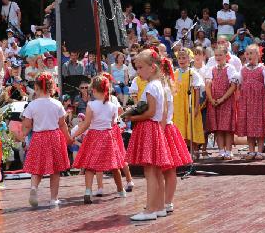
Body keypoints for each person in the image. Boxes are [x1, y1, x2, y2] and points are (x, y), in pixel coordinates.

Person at [124, 49, 173, 221]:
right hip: (154, 129)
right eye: (136, 68)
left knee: (150, 172)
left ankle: (150, 209)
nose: (138, 71)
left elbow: (151, 112)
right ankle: (159, 207)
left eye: (140, 67)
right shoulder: (158, 84)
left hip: (149, 128)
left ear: (152, 67)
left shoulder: (152, 86)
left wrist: (132, 116)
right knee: (156, 171)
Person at [70, 74, 127, 203]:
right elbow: (113, 123)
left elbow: (86, 124)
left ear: (94, 90)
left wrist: (74, 134)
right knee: (114, 165)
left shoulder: (91, 105)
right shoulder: (112, 106)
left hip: (94, 136)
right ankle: (120, 190)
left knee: (90, 165)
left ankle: (88, 191)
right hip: (107, 135)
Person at [19, 73, 70, 207]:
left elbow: (27, 125)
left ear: (36, 87)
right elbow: (62, 124)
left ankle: (34, 188)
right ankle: (54, 198)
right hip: (54, 137)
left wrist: (21, 135)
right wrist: (68, 138)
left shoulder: (32, 106)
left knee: (37, 167)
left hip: (38, 137)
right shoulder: (57, 104)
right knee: (56, 170)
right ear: (51, 87)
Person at [160, 57, 191, 214]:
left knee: (169, 169)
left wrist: (159, 131)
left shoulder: (164, 89)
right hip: (165, 128)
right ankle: (162, 201)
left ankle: (167, 201)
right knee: (163, 169)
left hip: (164, 129)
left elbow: (164, 114)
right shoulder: (164, 87)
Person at [236, 44, 265, 160]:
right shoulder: (243, 69)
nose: (249, 56)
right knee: (249, 125)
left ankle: (260, 151)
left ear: (258, 55)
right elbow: (239, 83)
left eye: (251, 53)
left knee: (259, 125)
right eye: (247, 54)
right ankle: (251, 150)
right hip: (247, 102)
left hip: (259, 101)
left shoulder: (263, 69)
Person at [205, 46, 239, 159]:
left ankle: (228, 151)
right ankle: (221, 151)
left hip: (226, 101)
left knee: (227, 128)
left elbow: (233, 86)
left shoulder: (230, 68)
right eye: (216, 55)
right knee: (218, 128)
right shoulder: (212, 69)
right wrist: (211, 99)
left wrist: (222, 99)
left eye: (220, 55)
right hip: (214, 101)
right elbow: (208, 85)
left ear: (226, 56)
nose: (218, 57)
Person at [172, 48, 205, 156]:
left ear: (189, 59)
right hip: (178, 105)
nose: (181, 60)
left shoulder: (192, 73)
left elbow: (197, 90)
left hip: (189, 104)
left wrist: (196, 107)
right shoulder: (175, 73)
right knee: (181, 126)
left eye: (184, 58)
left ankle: (194, 150)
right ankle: (183, 151)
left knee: (191, 125)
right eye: (179, 58)